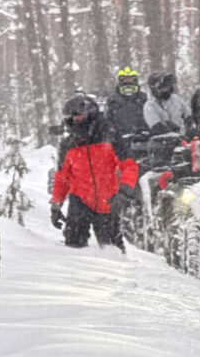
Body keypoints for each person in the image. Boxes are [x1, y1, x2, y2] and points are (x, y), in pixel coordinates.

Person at [50, 94, 139, 251]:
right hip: (80, 200)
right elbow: (62, 177)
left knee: (113, 251)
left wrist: (125, 190)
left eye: (78, 115)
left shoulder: (110, 135)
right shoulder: (68, 145)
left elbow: (129, 165)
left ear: (90, 113)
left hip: (108, 199)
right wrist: (56, 204)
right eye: (72, 117)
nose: (75, 119)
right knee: (73, 246)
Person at [105, 67, 148, 136]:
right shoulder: (113, 99)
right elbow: (107, 118)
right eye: (125, 80)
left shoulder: (143, 97)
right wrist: (112, 130)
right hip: (119, 135)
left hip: (141, 135)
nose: (128, 83)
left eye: (130, 80)